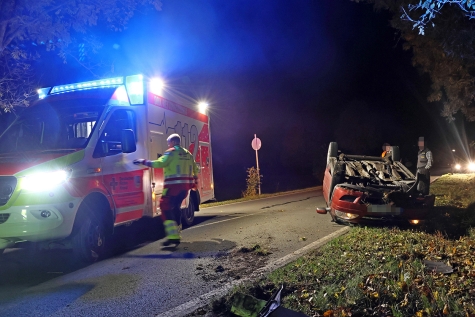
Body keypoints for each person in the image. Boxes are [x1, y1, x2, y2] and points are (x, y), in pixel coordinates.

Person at [134, 133, 199, 246]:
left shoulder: (171, 152)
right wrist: (195, 182)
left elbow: (160, 163)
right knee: (176, 208)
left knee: (165, 207)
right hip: (185, 188)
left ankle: (173, 236)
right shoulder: (188, 153)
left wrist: (143, 161)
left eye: (169, 143)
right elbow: (195, 169)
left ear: (173, 142)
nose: (168, 145)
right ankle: (177, 232)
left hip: (173, 187)